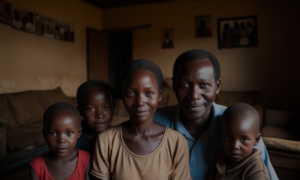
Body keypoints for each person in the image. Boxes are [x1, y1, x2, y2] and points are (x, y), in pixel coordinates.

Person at [154, 49, 278, 180]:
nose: (194, 96)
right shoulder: (153, 123)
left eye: (204, 85)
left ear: (217, 86)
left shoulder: (242, 126)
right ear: (174, 85)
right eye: (184, 84)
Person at [91, 59, 192, 180]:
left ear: (160, 95)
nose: (139, 102)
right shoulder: (106, 141)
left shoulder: (177, 143)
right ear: (122, 95)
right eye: (131, 93)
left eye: (149, 93)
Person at [29, 102, 91, 180]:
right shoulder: (36, 166)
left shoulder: (85, 159)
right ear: (45, 135)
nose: (61, 140)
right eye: (53, 133)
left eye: (69, 132)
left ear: (79, 133)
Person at [210, 103, 270, 180]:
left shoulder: (256, 169)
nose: (235, 146)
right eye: (228, 137)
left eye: (244, 139)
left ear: (256, 139)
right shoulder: (221, 157)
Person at [75, 79, 115, 154]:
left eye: (106, 107)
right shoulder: (72, 140)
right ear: (79, 111)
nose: (99, 115)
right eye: (90, 109)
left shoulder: (117, 138)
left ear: (113, 108)